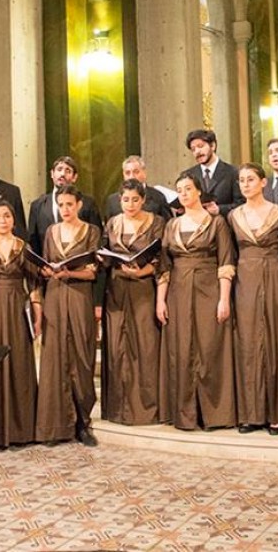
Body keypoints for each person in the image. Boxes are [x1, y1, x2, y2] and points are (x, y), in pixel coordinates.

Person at [156, 173, 237, 431]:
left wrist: (224, 299)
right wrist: (161, 300)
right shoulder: (172, 225)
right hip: (178, 290)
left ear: (199, 191)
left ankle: (214, 413)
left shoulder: (217, 223)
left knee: (209, 347)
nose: (184, 193)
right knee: (182, 349)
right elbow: (164, 267)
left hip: (208, 288)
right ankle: (185, 413)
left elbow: (225, 262)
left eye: (188, 188)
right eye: (179, 190)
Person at [229, 163, 278, 435]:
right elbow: (231, 254)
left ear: (263, 182)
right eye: (241, 180)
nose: (245, 184)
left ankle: (277, 414)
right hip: (245, 279)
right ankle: (251, 413)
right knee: (248, 343)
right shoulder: (233, 216)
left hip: (275, 277)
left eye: (250, 179)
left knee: (275, 342)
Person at [36, 185, 102, 445]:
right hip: (54, 296)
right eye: (61, 205)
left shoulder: (91, 231)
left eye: (69, 205)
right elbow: (45, 263)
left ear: (79, 205)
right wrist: (47, 272)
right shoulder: (52, 231)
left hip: (79, 295)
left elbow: (93, 271)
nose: (65, 209)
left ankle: (83, 423)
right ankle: (57, 425)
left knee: (82, 358)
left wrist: (70, 273)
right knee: (55, 358)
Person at [101, 180, 165, 426]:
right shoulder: (113, 223)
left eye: (135, 200)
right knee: (118, 347)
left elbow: (162, 257)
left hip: (144, 289)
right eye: (126, 200)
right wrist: (101, 258)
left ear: (143, 199)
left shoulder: (156, 222)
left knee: (145, 347)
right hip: (117, 290)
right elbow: (105, 256)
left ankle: (146, 409)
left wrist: (143, 271)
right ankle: (119, 409)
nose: (130, 204)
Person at [0, 200, 40, 446]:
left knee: (20, 364)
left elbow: (34, 283)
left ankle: (22, 430)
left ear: (14, 219)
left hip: (17, 308)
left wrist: (37, 316)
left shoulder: (24, 247)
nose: (3, 221)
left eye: (7, 216)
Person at [28, 156, 103, 254]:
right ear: (52, 174)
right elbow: (33, 241)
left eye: (68, 171)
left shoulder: (88, 203)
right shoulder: (37, 205)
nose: (62, 174)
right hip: (48, 265)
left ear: (75, 177)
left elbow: (96, 239)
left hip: (81, 265)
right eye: (59, 169)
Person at [181, 129, 243, 217]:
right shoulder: (188, 175)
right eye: (193, 149)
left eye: (200, 146)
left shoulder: (233, 172)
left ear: (213, 146)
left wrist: (219, 209)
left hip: (225, 226)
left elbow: (241, 204)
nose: (197, 152)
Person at [103, 155, 172, 222]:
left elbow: (168, 226)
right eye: (127, 173)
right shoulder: (112, 201)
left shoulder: (158, 197)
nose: (132, 176)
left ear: (144, 173)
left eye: (136, 172)